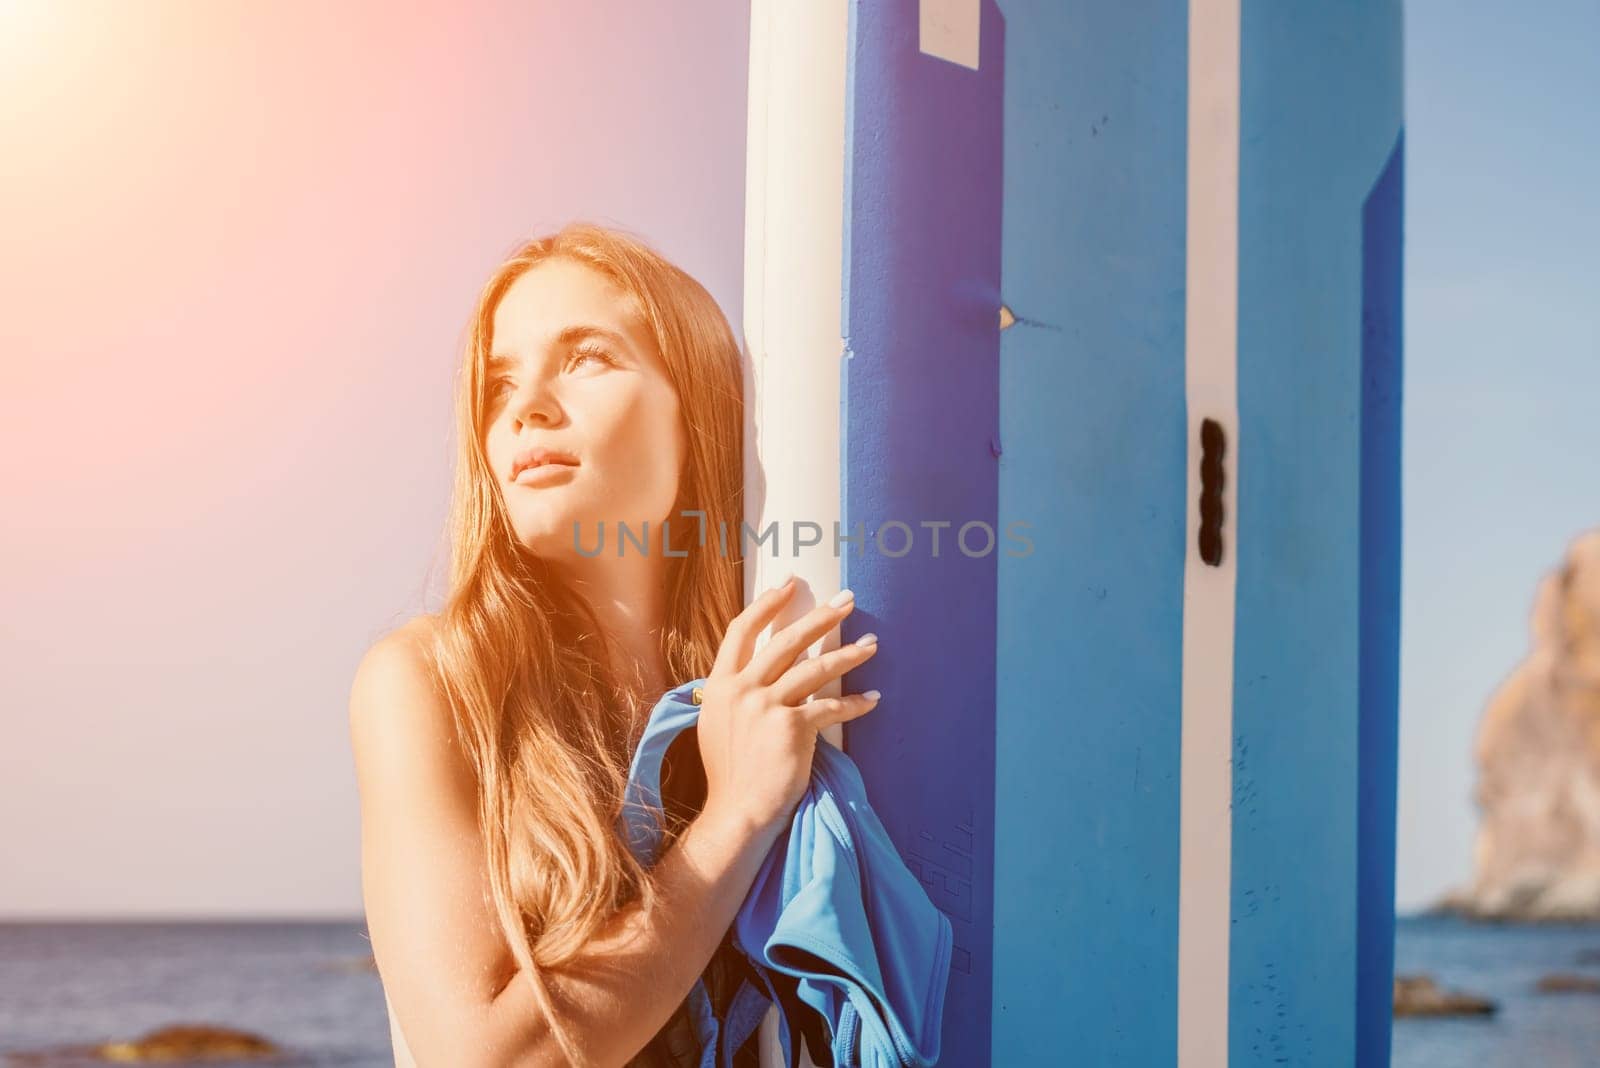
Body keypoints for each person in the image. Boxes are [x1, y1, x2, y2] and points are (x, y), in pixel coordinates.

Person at [348, 222, 883, 1067]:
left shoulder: (763, 691)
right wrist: (734, 819)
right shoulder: (428, 681)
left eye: (587, 357)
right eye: (498, 385)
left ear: (699, 406)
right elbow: (488, 1058)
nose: (526, 407)